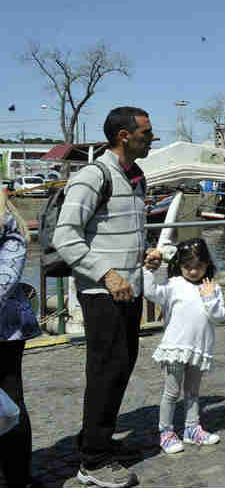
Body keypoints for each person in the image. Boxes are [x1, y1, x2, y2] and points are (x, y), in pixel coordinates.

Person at [54, 106, 162, 488]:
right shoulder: (93, 176)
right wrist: (108, 273)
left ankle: (98, 440)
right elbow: (65, 236)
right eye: (147, 133)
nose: (152, 138)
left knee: (121, 366)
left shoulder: (135, 175)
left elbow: (122, 229)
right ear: (124, 136)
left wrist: (143, 252)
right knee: (105, 371)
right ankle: (93, 461)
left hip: (128, 289)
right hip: (103, 292)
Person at [143, 238, 225, 454]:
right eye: (187, 266)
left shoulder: (212, 288)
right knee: (171, 392)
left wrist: (209, 298)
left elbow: (219, 317)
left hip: (198, 350)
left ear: (207, 264)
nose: (193, 271)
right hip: (175, 349)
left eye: (198, 266)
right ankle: (166, 431)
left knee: (192, 392)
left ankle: (191, 428)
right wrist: (147, 271)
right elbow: (151, 292)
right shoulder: (173, 285)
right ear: (180, 266)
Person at [0, 186, 41, 488]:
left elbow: (6, 277)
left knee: (10, 401)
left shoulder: (7, 221)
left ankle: (18, 477)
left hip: (6, 329)